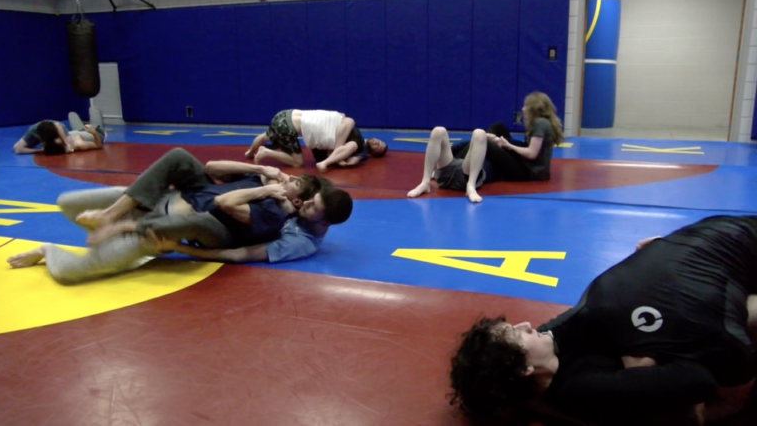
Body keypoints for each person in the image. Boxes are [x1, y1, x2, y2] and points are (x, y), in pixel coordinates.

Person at [449, 215, 757, 425]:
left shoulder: (550, 358)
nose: (527, 325)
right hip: (725, 259)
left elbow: (573, 322)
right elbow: (697, 380)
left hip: (708, 252)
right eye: (517, 334)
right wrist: (645, 359)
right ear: (524, 368)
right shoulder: (586, 388)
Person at [6, 148, 324, 283]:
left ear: (297, 202)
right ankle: (112, 215)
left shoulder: (272, 215)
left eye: (293, 182)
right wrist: (258, 169)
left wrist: (265, 191)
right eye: (289, 176)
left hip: (159, 232)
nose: (286, 178)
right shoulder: (260, 179)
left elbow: (226, 204)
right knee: (66, 202)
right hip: (163, 198)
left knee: (69, 273)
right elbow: (212, 168)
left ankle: (53, 247)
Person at [406, 92, 564, 203]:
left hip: (528, 172)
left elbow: (531, 153)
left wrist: (508, 145)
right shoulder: (542, 123)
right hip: (528, 168)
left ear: (534, 108)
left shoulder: (539, 123)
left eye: (525, 106)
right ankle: (468, 151)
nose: (522, 109)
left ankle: (464, 155)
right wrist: (505, 143)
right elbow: (529, 149)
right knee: (496, 128)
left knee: (485, 140)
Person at [143, 182, 354, 264]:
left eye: (313, 207)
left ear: (325, 223)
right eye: (312, 199)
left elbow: (239, 254)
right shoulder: (306, 211)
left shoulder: (300, 243)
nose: (307, 204)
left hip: (227, 237)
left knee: (199, 221)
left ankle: (130, 230)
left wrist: (177, 249)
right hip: (235, 217)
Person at [244, 109, 387, 171]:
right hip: (288, 124)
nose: (377, 143)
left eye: (378, 147)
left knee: (266, 136)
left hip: (284, 115)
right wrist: (336, 152)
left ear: (373, 153)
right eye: (379, 141)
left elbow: (354, 159)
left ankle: (250, 152)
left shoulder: (359, 148)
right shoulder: (349, 125)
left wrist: (340, 157)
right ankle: (263, 152)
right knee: (297, 163)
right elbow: (348, 123)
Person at [12, 105, 106, 155]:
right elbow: (98, 145)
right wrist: (93, 132)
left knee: (71, 114)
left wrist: (65, 143)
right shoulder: (77, 144)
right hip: (96, 132)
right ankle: (94, 109)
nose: (40, 143)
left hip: (80, 131)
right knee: (93, 110)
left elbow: (57, 126)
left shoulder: (61, 140)